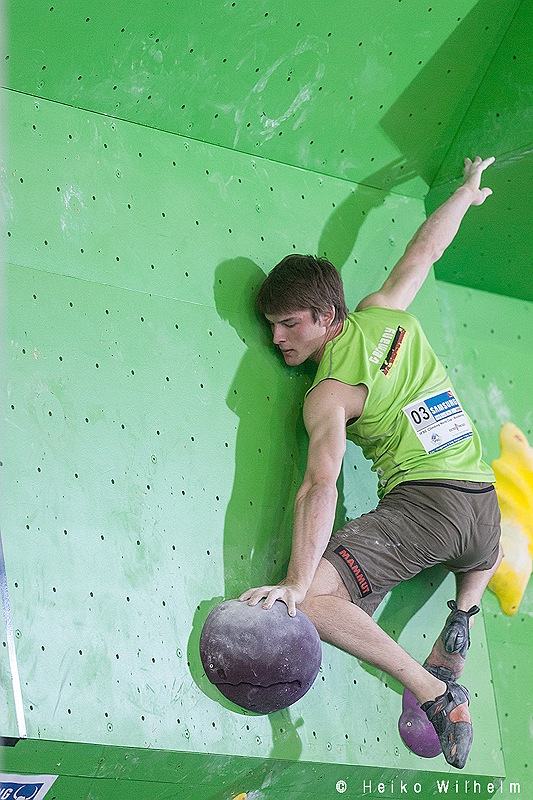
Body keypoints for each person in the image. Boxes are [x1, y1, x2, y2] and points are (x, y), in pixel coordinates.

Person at [239, 156, 503, 770]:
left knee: (317, 602)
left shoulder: (327, 393)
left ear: (326, 318)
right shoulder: (384, 311)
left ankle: (438, 692)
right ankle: (463, 613)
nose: (279, 339)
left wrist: (296, 583)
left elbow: (320, 481)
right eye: (270, 326)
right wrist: (465, 194)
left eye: (289, 324)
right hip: (484, 519)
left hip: (429, 508)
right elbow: (422, 253)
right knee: (474, 544)